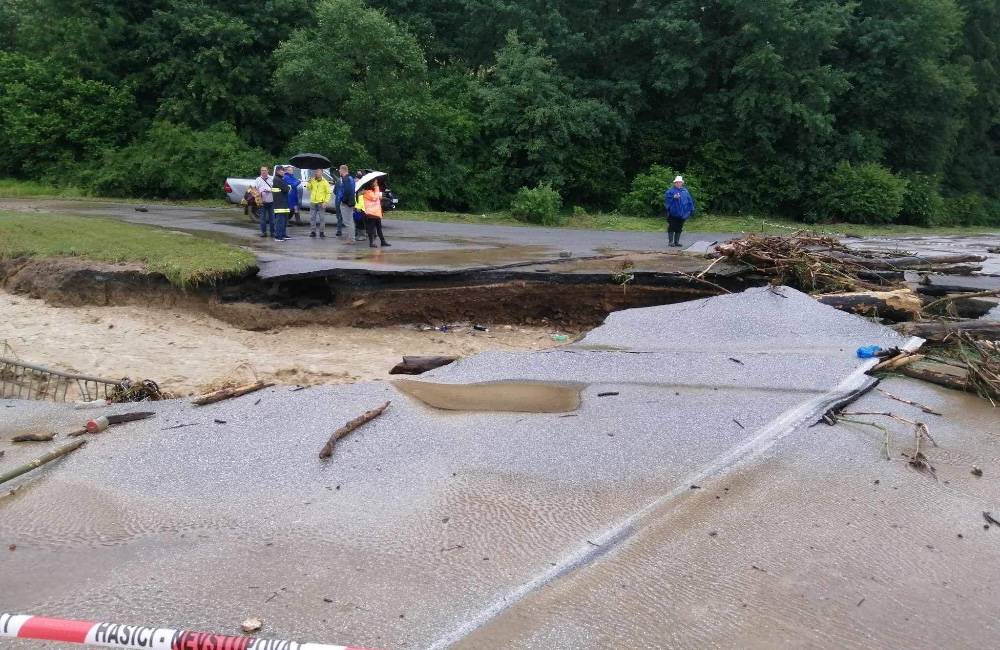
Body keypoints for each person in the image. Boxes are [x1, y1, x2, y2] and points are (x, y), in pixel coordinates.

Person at [664, 175, 695, 247]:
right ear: (674, 183)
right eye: (677, 182)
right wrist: (673, 197)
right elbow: (667, 200)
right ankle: (671, 242)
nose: (678, 184)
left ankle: (676, 242)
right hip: (673, 213)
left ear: (682, 183)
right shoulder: (670, 191)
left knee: (679, 227)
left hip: (683, 213)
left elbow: (689, 200)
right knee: (672, 226)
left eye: (680, 182)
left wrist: (691, 208)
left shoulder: (685, 191)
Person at [362, 179, 390, 248]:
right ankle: (371, 243)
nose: (377, 183)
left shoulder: (373, 191)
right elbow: (374, 198)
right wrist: (377, 188)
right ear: (371, 183)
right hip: (371, 213)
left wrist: (379, 193)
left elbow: (378, 197)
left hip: (376, 212)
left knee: (379, 228)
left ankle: (383, 241)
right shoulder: (367, 192)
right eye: (375, 182)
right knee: (371, 228)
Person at [306, 169, 331, 238]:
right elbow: (308, 189)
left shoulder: (325, 182)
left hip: (321, 203)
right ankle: (313, 232)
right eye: (316, 172)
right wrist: (309, 182)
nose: (317, 173)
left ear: (322, 173)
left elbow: (328, 193)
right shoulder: (312, 180)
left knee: (322, 218)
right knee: (312, 218)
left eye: (318, 172)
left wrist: (326, 202)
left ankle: (321, 232)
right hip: (313, 202)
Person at [335, 165, 357, 245]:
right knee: (350, 221)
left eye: (340, 170)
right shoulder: (351, 178)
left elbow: (347, 191)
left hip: (346, 203)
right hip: (350, 202)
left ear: (343, 170)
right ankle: (351, 238)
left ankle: (351, 239)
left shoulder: (345, 179)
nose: (339, 172)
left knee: (348, 222)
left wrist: (343, 200)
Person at [253, 166, 275, 238]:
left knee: (272, 218)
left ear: (268, 171)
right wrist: (258, 192)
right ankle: (263, 232)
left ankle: (272, 232)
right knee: (262, 218)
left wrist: (269, 189)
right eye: (262, 170)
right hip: (262, 202)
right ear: (260, 171)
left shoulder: (272, 178)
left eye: (265, 170)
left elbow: (276, 188)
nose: (263, 172)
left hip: (271, 201)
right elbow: (254, 189)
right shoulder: (258, 179)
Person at [271, 165, 291, 241]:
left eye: (283, 170)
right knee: (279, 221)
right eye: (282, 170)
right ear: (277, 171)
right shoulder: (277, 179)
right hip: (279, 204)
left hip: (284, 204)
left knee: (284, 221)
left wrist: (287, 187)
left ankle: (283, 234)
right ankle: (278, 236)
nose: (283, 172)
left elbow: (286, 188)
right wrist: (288, 187)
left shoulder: (281, 179)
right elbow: (286, 189)